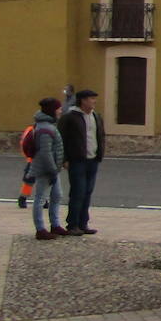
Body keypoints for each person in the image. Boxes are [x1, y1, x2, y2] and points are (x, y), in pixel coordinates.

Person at [58, 88, 104, 235]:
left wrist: (100, 153)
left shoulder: (96, 116)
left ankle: (83, 223)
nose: (94, 101)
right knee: (78, 192)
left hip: (93, 159)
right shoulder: (71, 117)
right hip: (77, 160)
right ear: (83, 100)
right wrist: (64, 159)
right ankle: (72, 224)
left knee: (88, 192)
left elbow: (100, 135)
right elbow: (61, 138)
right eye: (91, 99)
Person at [30, 97, 67, 239]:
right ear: (52, 110)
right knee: (41, 198)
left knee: (57, 196)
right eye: (58, 108)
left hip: (52, 169)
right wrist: (52, 170)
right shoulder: (45, 128)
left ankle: (55, 225)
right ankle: (40, 229)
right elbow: (45, 153)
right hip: (46, 169)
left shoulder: (47, 125)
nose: (60, 110)